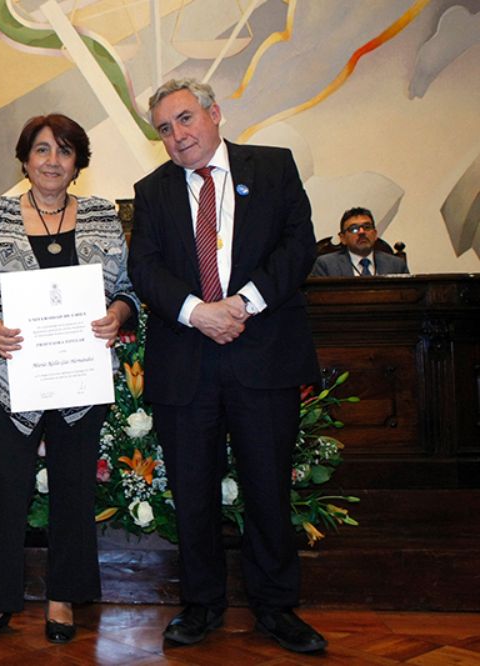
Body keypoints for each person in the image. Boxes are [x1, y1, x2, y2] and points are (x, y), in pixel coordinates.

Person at [128, 79, 328, 654]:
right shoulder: (152, 190)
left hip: (263, 355)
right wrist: (198, 313)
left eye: (186, 118)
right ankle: (201, 604)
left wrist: (242, 303)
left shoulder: (273, 167)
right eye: (164, 128)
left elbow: (298, 245)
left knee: (268, 487)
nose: (177, 135)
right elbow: (145, 268)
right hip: (185, 362)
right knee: (192, 492)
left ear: (214, 114)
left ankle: (276, 607)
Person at [0, 114, 138, 647]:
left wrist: (118, 315)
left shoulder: (102, 215)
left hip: (80, 379)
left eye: (64, 150)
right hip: (13, 378)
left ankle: (63, 599)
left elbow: (127, 290)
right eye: (41, 149)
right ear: (25, 160)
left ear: (78, 162)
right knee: (5, 491)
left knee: (74, 489)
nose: (52, 161)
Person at [310, 207, 409, 276]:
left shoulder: (396, 265)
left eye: (367, 227)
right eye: (354, 229)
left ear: (375, 234)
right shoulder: (326, 265)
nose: (362, 232)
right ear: (343, 238)